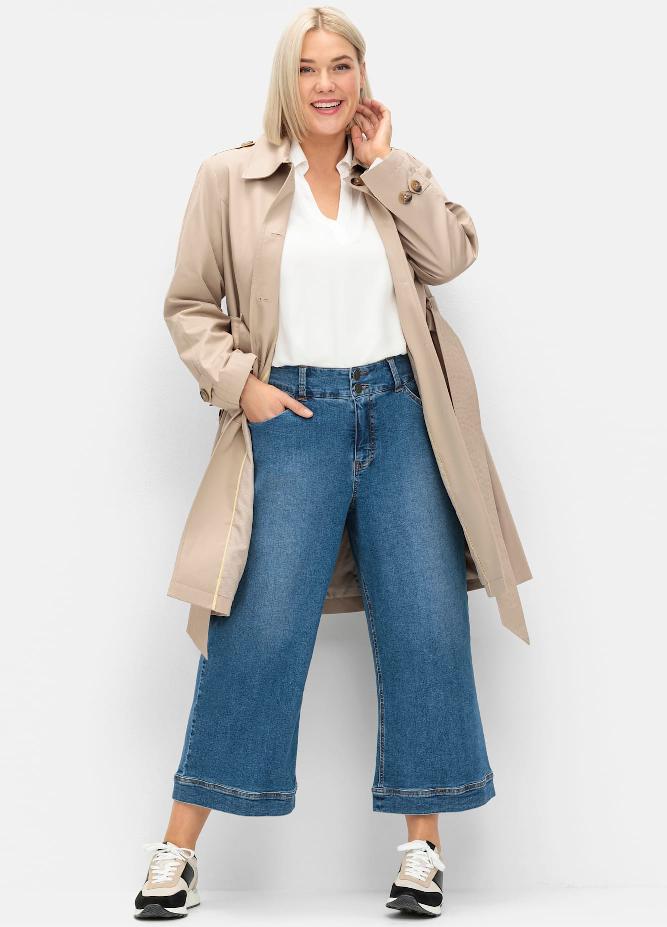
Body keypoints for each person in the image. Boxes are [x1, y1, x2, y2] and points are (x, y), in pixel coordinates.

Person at [134, 6, 514, 920]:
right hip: (293, 417)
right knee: (257, 627)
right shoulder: (230, 178)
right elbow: (190, 304)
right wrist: (245, 387)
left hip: (401, 413)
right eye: (308, 68)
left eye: (341, 65)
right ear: (286, 79)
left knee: (424, 624)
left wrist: (387, 165)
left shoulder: (384, 174)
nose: (326, 84)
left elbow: (451, 255)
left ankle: (422, 851)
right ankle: (178, 849)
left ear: (362, 76)